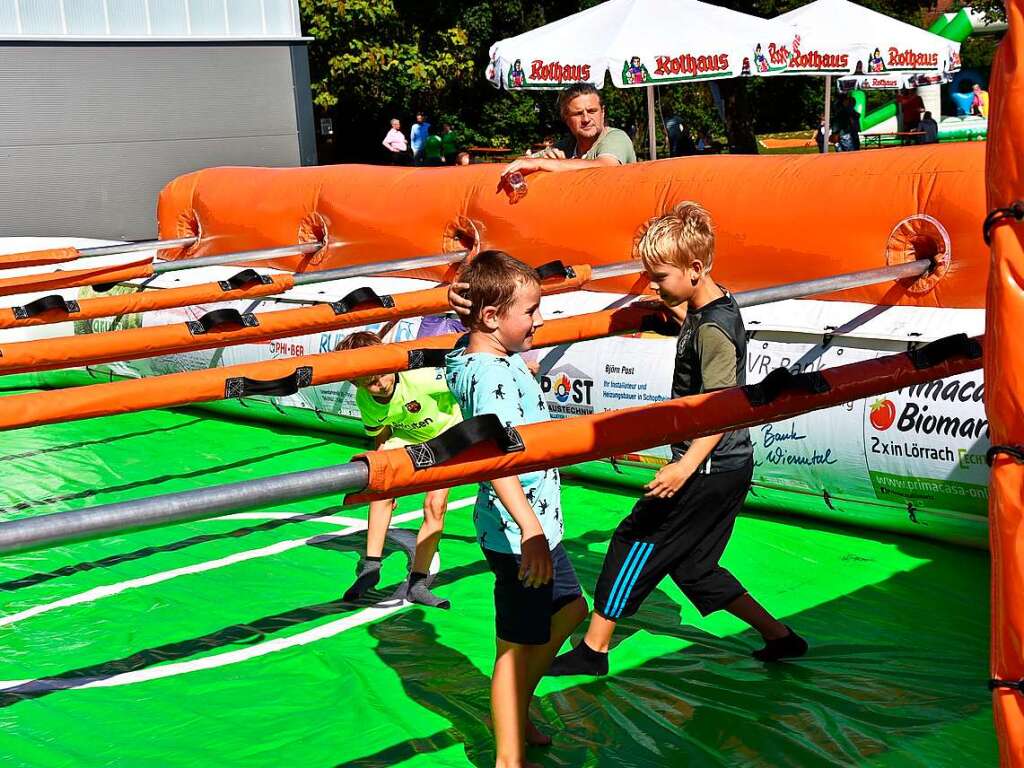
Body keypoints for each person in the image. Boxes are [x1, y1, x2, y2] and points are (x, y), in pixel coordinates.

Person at [546, 202, 808, 679]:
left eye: (659, 276)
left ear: (695, 268)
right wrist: (674, 309)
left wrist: (685, 465)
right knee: (695, 569)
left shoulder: (713, 328)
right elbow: (695, 313)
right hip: (727, 465)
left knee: (634, 538)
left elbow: (720, 406)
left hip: (706, 465)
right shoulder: (709, 303)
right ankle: (780, 636)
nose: (653, 286)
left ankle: (594, 649)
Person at [445, 251, 588, 767]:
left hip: (534, 526)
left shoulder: (476, 357)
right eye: (530, 311)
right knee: (513, 646)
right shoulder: (491, 377)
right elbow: (491, 457)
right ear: (491, 318)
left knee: (572, 610)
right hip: (518, 532)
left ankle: (517, 703)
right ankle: (509, 756)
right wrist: (529, 531)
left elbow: (462, 348)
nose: (539, 320)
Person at [339, 331, 462, 609]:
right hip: (409, 438)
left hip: (448, 434)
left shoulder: (420, 376)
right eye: (370, 383)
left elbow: (464, 376)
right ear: (356, 383)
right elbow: (381, 434)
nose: (380, 384)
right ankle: (371, 567)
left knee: (435, 503)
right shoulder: (365, 399)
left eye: (383, 375)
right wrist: (388, 474)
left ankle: (417, 583)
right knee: (380, 484)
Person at [501, 82, 636, 181]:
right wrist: (533, 160)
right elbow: (523, 163)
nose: (586, 119)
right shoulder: (566, 146)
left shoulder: (616, 137)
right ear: (566, 119)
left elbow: (605, 167)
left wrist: (543, 163)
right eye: (578, 113)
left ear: (603, 112)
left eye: (592, 111)